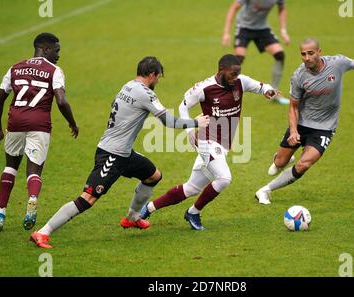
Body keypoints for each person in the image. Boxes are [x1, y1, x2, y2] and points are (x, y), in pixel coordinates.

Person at [30, 56, 210, 248]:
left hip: (124, 152)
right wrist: (195, 123)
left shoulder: (127, 86)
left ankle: (132, 217)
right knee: (88, 198)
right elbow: (169, 121)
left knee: (153, 176)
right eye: (158, 77)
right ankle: (43, 232)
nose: (158, 81)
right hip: (111, 155)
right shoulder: (146, 94)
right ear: (152, 74)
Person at [255, 38, 354, 204]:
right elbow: (293, 107)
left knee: (304, 164)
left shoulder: (337, 63)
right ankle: (280, 160)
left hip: (324, 128)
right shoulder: (298, 76)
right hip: (301, 124)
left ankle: (265, 190)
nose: (307, 58)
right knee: (280, 162)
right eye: (303, 54)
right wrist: (294, 131)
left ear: (319, 52)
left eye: (310, 53)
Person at [139, 54, 278, 231]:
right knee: (224, 178)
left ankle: (147, 208)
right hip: (206, 140)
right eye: (232, 74)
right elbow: (183, 106)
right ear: (221, 70)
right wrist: (190, 131)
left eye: (237, 74)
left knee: (191, 188)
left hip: (223, 145)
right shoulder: (205, 87)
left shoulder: (240, 82)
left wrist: (268, 90)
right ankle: (194, 212)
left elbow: (260, 86)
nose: (235, 78)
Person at [0, 32, 79, 231]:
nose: (58, 55)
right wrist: (72, 123)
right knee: (34, 170)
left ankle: (0, 214)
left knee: (10, 167)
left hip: (15, 122)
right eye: (56, 51)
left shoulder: (15, 68)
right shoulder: (54, 70)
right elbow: (62, 101)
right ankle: (32, 200)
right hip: (39, 124)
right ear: (45, 49)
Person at [221, 0, 290, 104]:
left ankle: (274, 95)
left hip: (262, 28)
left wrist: (283, 30)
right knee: (238, 60)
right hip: (243, 27)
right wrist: (226, 32)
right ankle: (224, 93)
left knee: (280, 55)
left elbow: (282, 8)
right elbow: (233, 8)